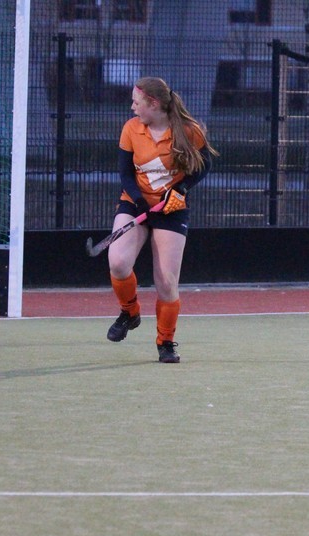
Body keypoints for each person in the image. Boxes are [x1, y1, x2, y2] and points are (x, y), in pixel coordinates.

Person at [105, 77, 218, 363]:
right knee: (117, 262)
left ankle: (165, 342)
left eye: (137, 102)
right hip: (136, 204)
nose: (132, 107)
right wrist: (140, 201)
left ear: (153, 104)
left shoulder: (188, 131)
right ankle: (129, 312)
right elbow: (125, 173)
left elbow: (205, 164)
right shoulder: (131, 129)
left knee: (166, 282)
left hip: (171, 210)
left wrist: (181, 190)